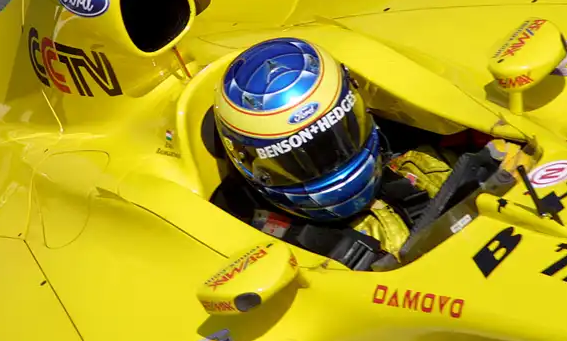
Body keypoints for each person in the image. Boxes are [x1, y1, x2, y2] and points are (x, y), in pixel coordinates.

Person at [211, 37, 522, 271]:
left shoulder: (425, 162)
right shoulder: (271, 250)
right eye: (294, 158)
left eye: (337, 137)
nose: (331, 162)